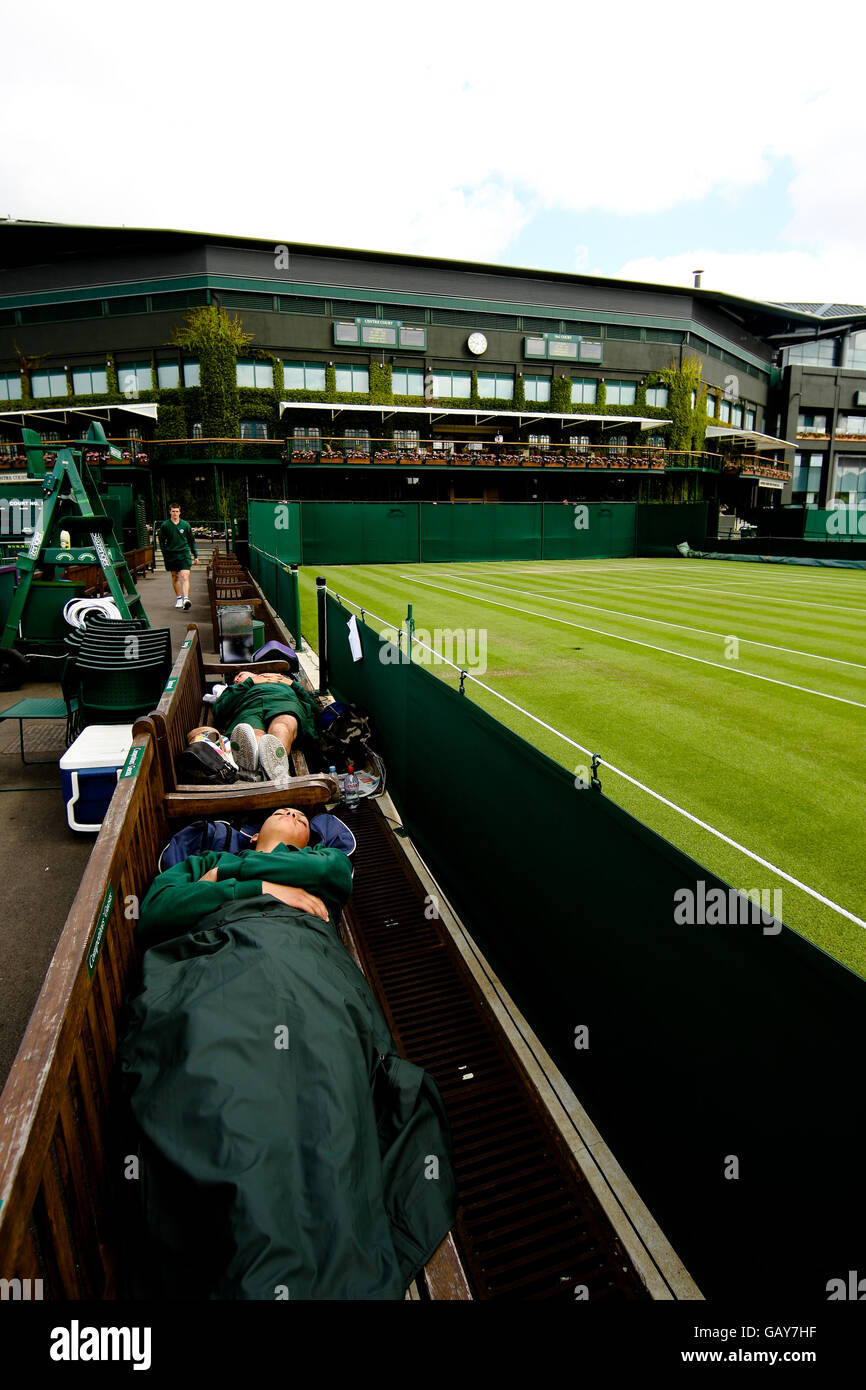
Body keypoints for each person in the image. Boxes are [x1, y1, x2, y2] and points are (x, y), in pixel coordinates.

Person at [116, 806, 457, 1300]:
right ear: (253, 834)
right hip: (215, 964)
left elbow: (330, 872)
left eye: (301, 814)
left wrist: (229, 874)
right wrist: (263, 890)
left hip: (306, 970)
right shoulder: (200, 860)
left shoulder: (317, 860)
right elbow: (159, 911)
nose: (294, 811)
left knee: (322, 1086)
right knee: (219, 1083)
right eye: (283, 809)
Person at [210, 668, 320, 782]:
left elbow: (314, 708)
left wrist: (293, 684)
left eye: (240, 675)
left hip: (283, 703)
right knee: (251, 735)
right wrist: (249, 682)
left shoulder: (283, 682)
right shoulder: (235, 689)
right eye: (235, 680)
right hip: (248, 708)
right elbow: (219, 710)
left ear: (256, 673)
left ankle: (271, 768)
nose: (236, 679)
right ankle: (265, 769)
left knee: (281, 726)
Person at [158, 503, 198, 610]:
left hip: (184, 553)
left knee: (185, 576)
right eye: (173, 511)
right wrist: (165, 553)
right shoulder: (165, 525)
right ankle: (179, 598)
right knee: (175, 577)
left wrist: (195, 555)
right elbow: (161, 541)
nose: (175, 513)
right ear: (170, 512)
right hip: (171, 554)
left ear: (180, 512)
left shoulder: (185, 525)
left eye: (177, 511)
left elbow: (191, 540)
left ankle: (186, 599)